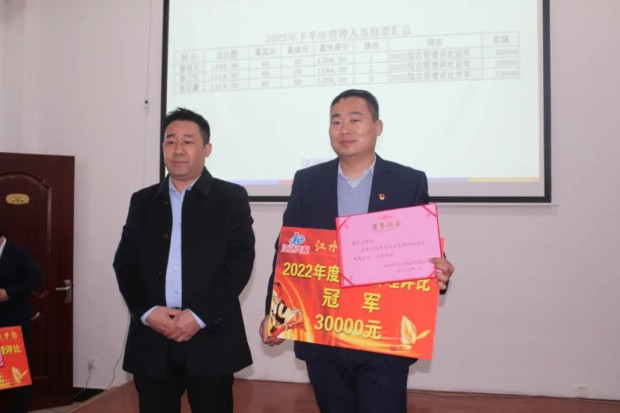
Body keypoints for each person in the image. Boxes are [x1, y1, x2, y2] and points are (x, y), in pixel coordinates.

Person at [259, 89, 454, 413]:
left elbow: (422, 251)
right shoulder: (308, 182)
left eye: (355, 119)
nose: (344, 129)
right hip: (324, 334)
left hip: (383, 337)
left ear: (377, 126)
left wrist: (439, 272)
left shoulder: (407, 181)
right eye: (336, 121)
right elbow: (288, 252)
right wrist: (275, 314)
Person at [114, 107, 255, 413]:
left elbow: (239, 264)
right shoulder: (142, 201)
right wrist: (147, 312)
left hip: (210, 335)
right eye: (170, 141)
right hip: (153, 336)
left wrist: (199, 315)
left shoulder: (230, 198)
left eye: (188, 141)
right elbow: (125, 264)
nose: (178, 149)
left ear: (207, 149)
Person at [0, 226, 42, 413]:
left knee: (16, 375)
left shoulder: (17, 252)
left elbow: (36, 277)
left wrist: (9, 292)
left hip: (12, 320)